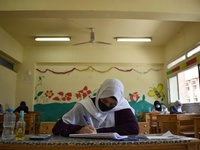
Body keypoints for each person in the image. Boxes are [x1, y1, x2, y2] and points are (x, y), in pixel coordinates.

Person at [52, 78, 139, 136]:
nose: (107, 105)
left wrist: (98, 132)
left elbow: (133, 128)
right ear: (99, 94)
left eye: (112, 105)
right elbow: (58, 128)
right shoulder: (84, 106)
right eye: (104, 101)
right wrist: (79, 130)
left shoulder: (121, 107)